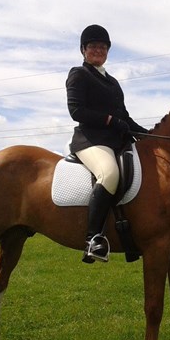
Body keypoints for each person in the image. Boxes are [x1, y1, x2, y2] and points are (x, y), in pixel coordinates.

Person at [66, 24, 148, 264]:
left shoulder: (112, 83)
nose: (98, 50)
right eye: (93, 46)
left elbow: (125, 117)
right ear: (83, 50)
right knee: (109, 174)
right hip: (91, 141)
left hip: (116, 141)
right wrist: (110, 121)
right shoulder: (78, 74)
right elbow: (76, 110)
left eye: (103, 47)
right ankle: (93, 239)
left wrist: (148, 134)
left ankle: (129, 236)